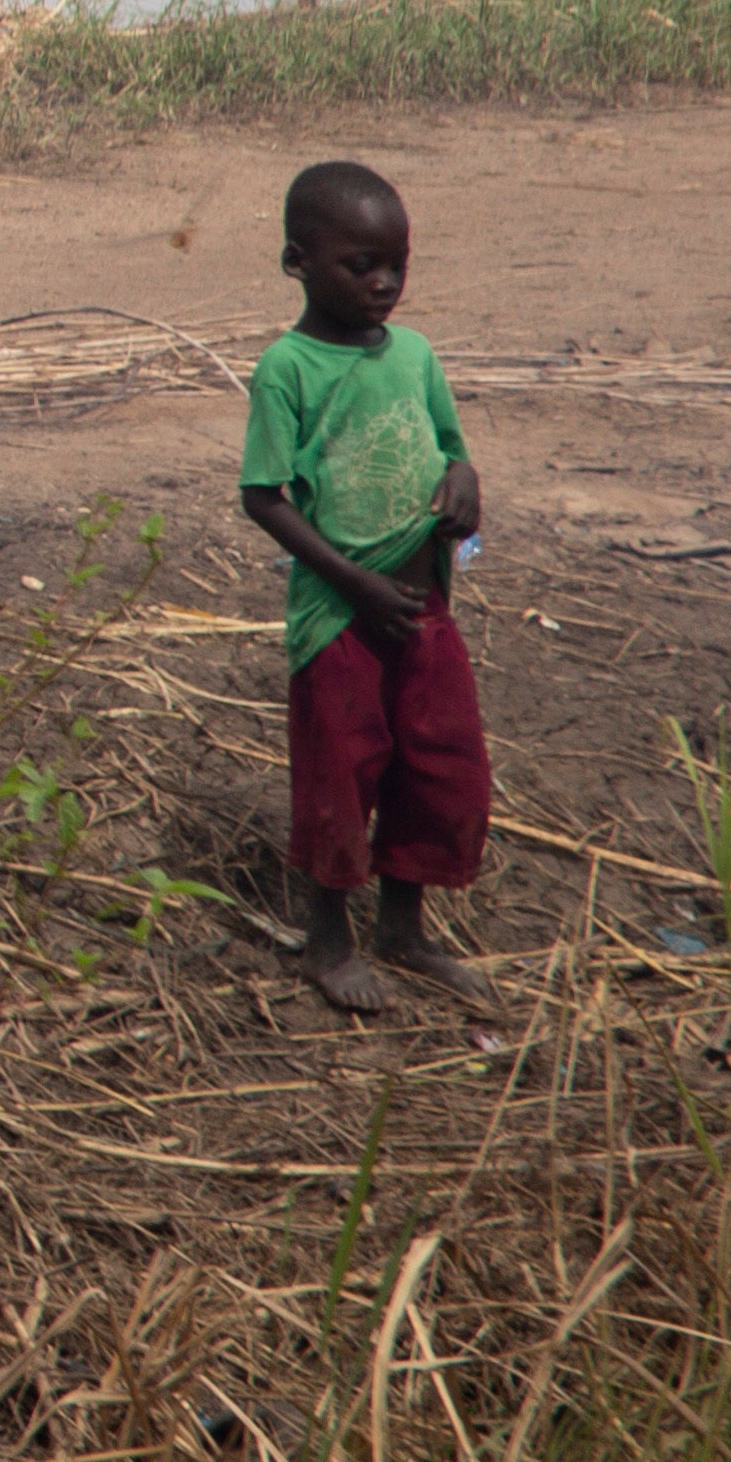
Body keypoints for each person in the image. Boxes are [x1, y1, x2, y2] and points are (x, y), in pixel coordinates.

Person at [238, 159, 489, 1015]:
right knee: (341, 776)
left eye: (398, 265)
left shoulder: (414, 356)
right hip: (341, 615)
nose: (384, 284)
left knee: (436, 768)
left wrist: (463, 484)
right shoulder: (288, 370)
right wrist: (352, 581)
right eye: (360, 266)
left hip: (422, 611)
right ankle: (329, 940)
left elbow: (450, 449)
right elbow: (262, 497)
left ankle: (404, 928)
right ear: (297, 262)